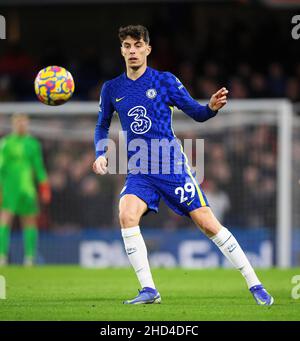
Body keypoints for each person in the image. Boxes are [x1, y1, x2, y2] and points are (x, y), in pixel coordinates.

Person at [93, 25, 274, 306]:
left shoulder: (165, 81)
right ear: (121, 50)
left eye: (137, 45)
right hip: (140, 168)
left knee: (206, 222)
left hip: (171, 165)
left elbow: (197, 114)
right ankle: (149, 290)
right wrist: (100, 152)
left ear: (147, 49)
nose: (132, 51)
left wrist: (211, 107)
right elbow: (102, 125)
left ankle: (255, 284)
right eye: (127, 46)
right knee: (127, 214)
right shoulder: (112, 88)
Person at [0, 114, 51, 266]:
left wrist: (44, 186)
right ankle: (2, 257)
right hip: (9, 188)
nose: (21, 125)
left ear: (27, 124)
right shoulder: (6, 143)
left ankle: (29, 257)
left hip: (27, 189)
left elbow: (38, 167)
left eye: (24, 122)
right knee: (5, 220)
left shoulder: (33, 144)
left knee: (29, 222)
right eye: (18, 122)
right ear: (14, 124)